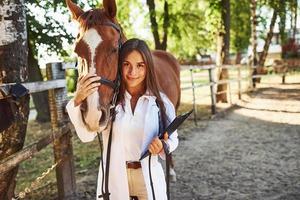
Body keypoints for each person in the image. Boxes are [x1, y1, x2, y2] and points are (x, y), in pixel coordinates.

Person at [66, 38, 178, 200]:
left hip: (148, 180)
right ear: (119, 66)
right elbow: (86, 136)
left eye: (140, 65)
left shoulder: (161, 103)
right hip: (114, 179)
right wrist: (77, 100)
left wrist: (163, 145)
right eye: (127, 64)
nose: (133, 72)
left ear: (148, 67)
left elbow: (173, 140)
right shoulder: (110, 103)